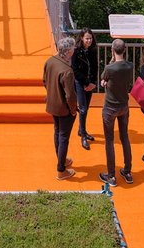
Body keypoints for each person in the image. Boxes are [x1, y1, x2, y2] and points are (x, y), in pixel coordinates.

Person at [98, 38, 134, 186]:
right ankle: (127, 171)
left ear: (113, 50)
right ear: (124, 49)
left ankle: (111, 175)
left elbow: (103, 80)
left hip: (110, 107)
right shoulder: (130, 66)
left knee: (109, 140)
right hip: (124, 106)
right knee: (125, 137)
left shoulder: (110, 68)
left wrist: (111, 61)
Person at [43, 35, 78, 180]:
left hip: (52, 104)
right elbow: (70, 95)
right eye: (73, 48)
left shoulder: (49, 61)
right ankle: (61, 170)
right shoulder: (67, 70)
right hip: (64, 109)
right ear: (68, 51)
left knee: (57, 132)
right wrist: (73, 110)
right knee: (64, 137)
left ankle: (61, 159)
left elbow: (45, 81)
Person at [71, 28, 99, 150]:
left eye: (90, 38)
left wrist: (93, 82)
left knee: (86, 108)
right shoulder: (76, 51)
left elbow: (95, 67)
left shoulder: (92, 50)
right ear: (81, 38)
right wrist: (86, 82)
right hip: (80, 82)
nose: (89, 40)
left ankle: (81, 130)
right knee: (82, 109)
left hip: (89, 83)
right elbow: (75, 70)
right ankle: (83, 135)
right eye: (87, 38)